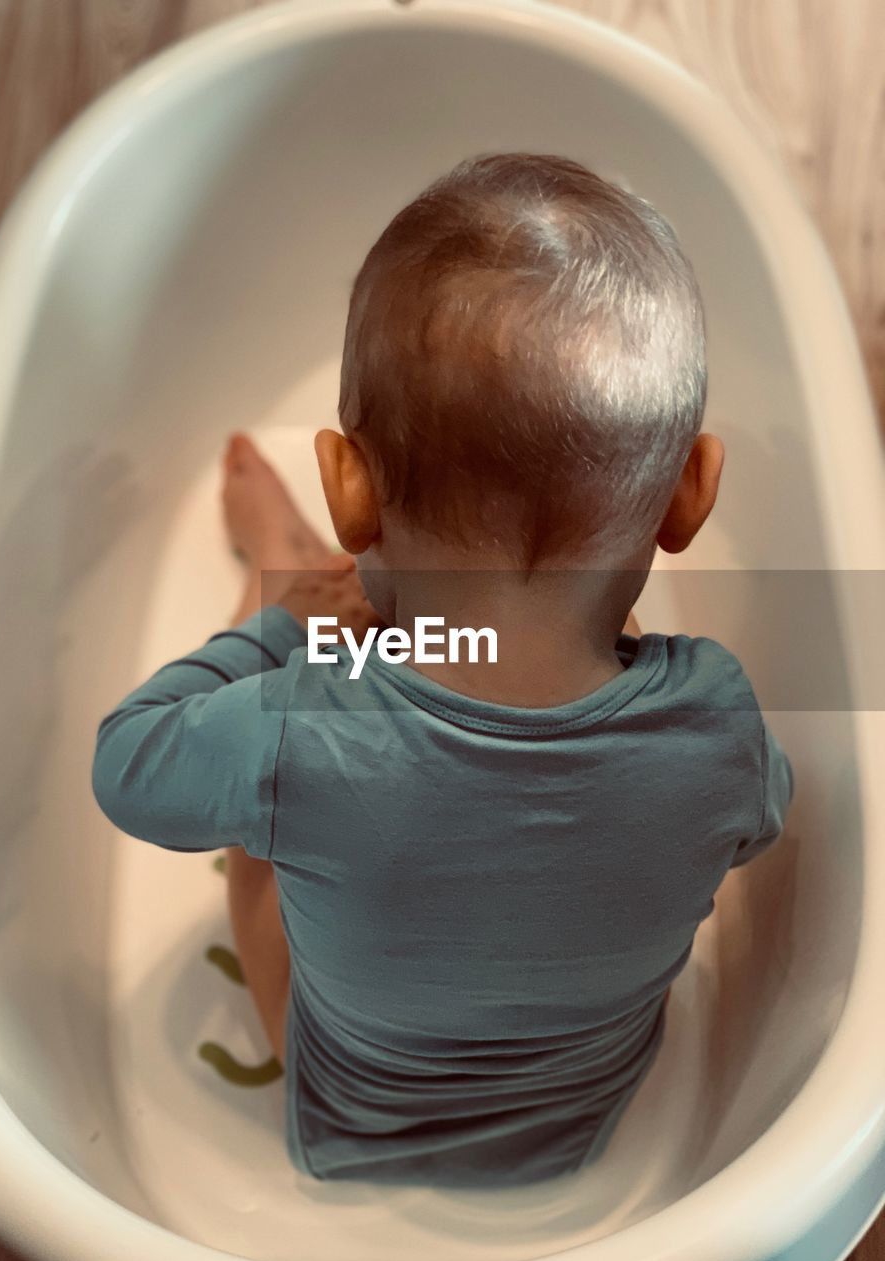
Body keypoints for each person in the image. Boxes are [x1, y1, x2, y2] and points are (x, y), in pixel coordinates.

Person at [92, 153, 794, 1188]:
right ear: (691, 492)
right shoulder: (722, 725)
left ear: (350, 488)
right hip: (579, 1122)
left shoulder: (297, 730)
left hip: (348, 1112)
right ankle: (520, 627)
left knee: (266, 846)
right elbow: (756, 820)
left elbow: (127, 761)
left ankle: (283, 570)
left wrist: (288, 628)